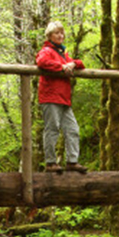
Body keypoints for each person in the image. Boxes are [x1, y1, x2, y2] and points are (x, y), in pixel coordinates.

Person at [36, 21, 87, 173]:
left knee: (73, 129)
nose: (60, 35)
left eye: (61, 33)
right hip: (51, 96)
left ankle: (72, 161)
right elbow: (41, 61)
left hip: (64, 99)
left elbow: (81, 64)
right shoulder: (47, 50)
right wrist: (61, 67)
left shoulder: (62, 53)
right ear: (50, 35)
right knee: (52, 129)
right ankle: (51, 163)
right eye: (56, 33)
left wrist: (72, 64)